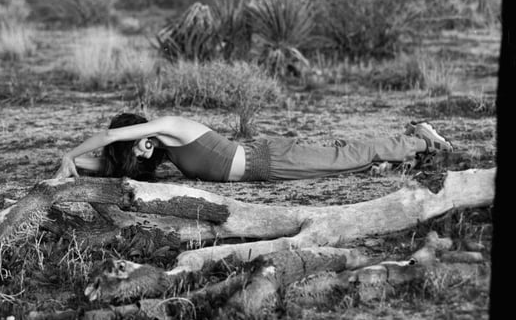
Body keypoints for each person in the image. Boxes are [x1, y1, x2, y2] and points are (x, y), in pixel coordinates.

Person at [54, 112, 453, 183]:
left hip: (270, 158)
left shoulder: (171, 127)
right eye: (137, 152)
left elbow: (109, 138)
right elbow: (110, 163)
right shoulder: (164, 151)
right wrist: (71, 165)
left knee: (345, 156)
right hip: (266, 169)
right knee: (343, 159)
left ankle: (422, 139)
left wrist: (71, 153)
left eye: (137, 144)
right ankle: (407, 147)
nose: (141, 153)